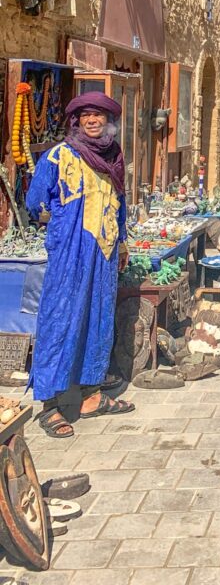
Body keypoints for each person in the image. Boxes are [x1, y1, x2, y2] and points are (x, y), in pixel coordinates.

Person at [26, 92, 135, 439]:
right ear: (76, 121)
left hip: (103, 251)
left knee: (98, 318)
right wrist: (59, 226)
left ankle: (90, 395)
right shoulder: (59, 156)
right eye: (86, 116)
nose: (92, 121)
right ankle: (51, 405)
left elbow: (119, 202)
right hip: (71, 252)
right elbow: (35, 201)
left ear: (108, 122)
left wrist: (121, 242)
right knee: (61, 317)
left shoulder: (113, 157)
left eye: (98, 116)